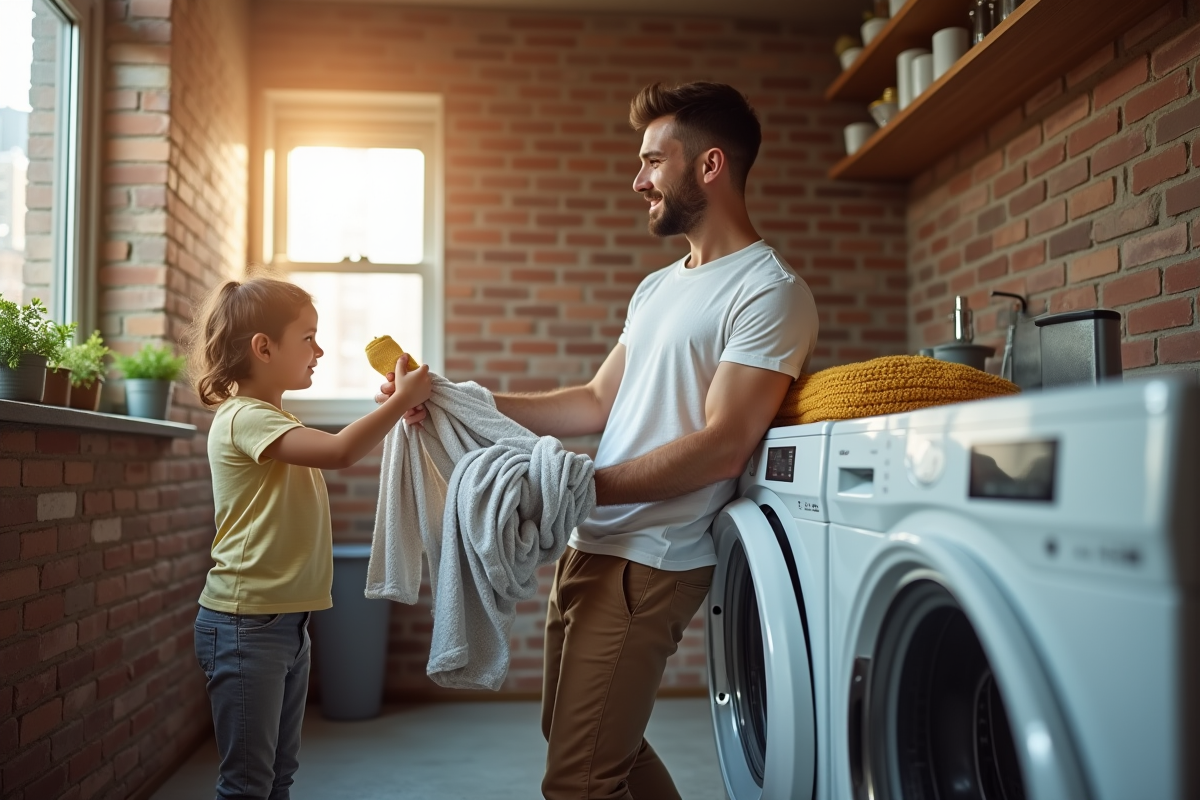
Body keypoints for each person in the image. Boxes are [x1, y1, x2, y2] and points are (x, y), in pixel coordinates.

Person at [379, 81, 817, 799]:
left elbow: (723, 446)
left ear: (709, 166)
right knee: (581, 745)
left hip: (652, 560)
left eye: (653, 160)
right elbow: (594, 401)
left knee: (580, 780)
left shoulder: (770, 292)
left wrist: (576, 488)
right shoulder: (658, 288)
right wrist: (455, 398)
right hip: (590, 545)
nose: (638, 178)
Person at [188, 277, 431, 799]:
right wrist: (399, 402)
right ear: (263, 347)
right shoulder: (244, 418)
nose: (320, 350)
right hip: (244, 623)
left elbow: (338, 443)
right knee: (248, 784)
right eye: (309, 338)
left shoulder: (276, 419)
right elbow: (341, 451)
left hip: (283, 624)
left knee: (277, 776)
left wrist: (397, 410)